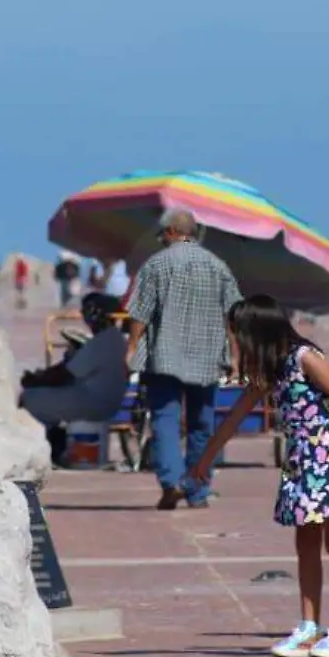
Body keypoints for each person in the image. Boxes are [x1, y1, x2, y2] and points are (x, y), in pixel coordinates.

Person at [190, 295, 329, 657]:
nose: (236, 342)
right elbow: (235, 415)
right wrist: (205, 460)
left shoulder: (305, 358)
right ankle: (309, 627)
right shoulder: (270, 369)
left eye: (238, 335)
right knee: (305, 543)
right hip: (300, 462)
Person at [124, 209, 244, 510]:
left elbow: (140, 312)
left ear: (173, 232)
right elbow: (234, 316)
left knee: (165, 418)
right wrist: (236, 355)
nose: (160, 239)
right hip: (207, 356)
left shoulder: (156, 265)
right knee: (201, 423)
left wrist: (132, 345)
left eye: (162, 234)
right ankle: (197, 490)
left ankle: (172, 482)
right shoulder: (218, 266)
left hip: (164, 354)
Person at [20, 293, 132, 464]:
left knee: (28, 399)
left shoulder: (102, 341)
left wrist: (35, 380)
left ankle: (53, 449)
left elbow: (64, 374)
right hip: (107, 401)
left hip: (93, 402)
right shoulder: (114, 339)